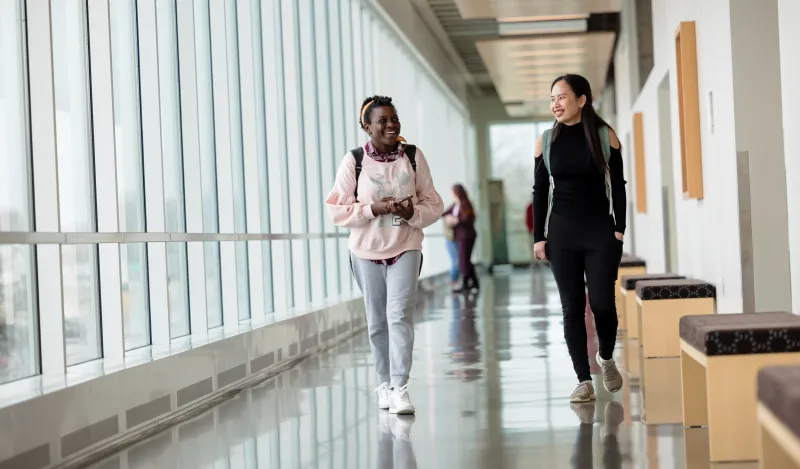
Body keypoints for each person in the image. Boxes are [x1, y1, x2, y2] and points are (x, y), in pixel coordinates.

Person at [326, 95, 444, 415]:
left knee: (399, 316)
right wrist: (372, 209)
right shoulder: (354, 161)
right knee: (377, 322)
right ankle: (383, 385)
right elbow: (337, 210)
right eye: (382, 120)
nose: (391, 125)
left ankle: (400, 387)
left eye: (394, 119)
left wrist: (412, 213)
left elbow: (434, 203)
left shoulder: (413, 157)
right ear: (367, 127)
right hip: (365, 251)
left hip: (405, 245)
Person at [532, 74, 627, 403]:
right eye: (552, 98)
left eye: (562, 97)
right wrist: (539, 238)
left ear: (582, 100)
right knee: (572, 308)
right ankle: (583, 380)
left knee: (602, 304)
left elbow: (619, 185)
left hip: (601, 231)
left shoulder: (605, 137)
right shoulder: (545, 142)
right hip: (562, 235)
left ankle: (606, 358)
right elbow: (540, 192)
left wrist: (619, 229)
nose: (555, 104)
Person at [443, 184, 479, 293]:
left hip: (467, 236)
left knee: (464, 260)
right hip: (460, 236)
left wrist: (456, 220)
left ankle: (466, 283)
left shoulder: (466, 204)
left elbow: (468, 219)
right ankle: (473, 283)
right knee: (466, 260)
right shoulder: (455, 205)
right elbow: (444, 214)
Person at [443, 210, 460, 291]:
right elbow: (454, 221)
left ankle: (456, 281)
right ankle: (454, 282)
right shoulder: (448, 216)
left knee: (458, 261)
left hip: (456, 240)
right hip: (451, 241)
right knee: (455, 262)